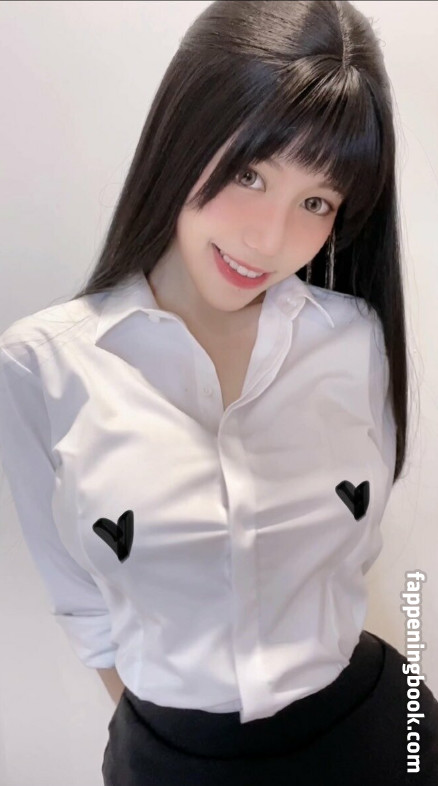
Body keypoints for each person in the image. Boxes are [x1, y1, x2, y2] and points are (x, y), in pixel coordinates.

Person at [0, 1, 437, 783]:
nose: (269, 239)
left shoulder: (358, 339)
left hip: (380, 738)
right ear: (182, 135)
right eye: (248, 173)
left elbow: (350, 558)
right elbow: (83, 605)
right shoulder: (41, 367)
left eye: (316, 202)